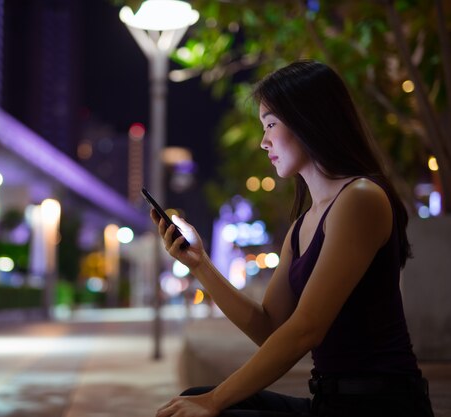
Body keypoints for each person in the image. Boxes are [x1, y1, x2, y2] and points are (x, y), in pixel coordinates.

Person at [150, 60, 434, 417]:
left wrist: (214, 401)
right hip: (328, 401)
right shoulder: (302, 228)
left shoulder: (361, 198)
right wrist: (200, 264)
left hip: (381, 405)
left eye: (270, 124)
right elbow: (271, 328)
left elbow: (306, 329)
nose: (263, 141)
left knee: (209, 407)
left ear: (308, 120)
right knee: (195, 396)